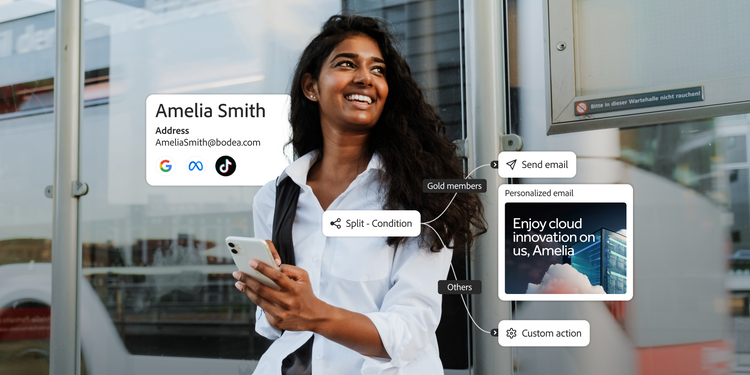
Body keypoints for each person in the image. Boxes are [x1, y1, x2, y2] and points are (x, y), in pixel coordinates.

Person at [232, 14, 486, 375]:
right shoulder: (275, 196)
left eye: (378, 70)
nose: (366, 78)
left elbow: (411, 330)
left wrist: (314, 312)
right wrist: (273, 300)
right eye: (346, 63)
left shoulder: (420, 195)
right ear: (311, 87)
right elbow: (273, 327)